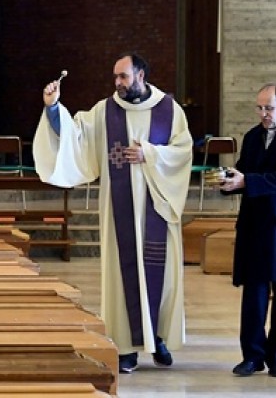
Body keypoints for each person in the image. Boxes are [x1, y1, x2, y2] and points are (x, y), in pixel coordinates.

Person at [33, 52, 193, 373]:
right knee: (122, 278)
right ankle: (127, 349)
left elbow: (183, 150)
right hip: (119, 210)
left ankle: (156, 338)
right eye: (116, 77)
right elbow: (77, 137)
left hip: (157, 207)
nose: (117, 83)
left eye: (124, 77)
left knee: (162, 279)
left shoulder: (168, 110)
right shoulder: (106, 110)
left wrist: (148, 153)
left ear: (141, 75)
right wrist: (53, 108)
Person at [219, 83, 276, 379]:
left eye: (269, 108)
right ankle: (252, 356)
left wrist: (246, 182)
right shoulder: (251, 136)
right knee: (254, 294)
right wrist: (227, 181)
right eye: (259, 108)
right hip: (256, 225)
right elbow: (244, 170)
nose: (263, 114)